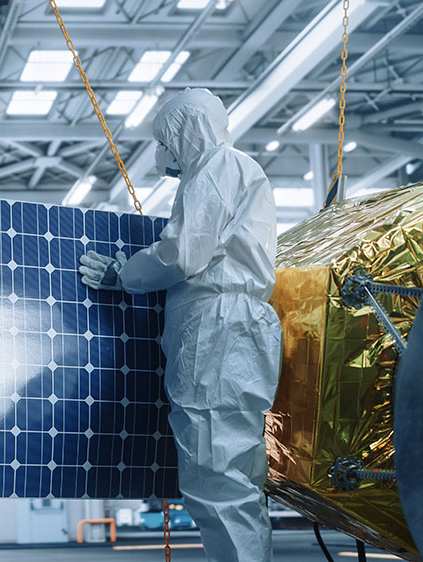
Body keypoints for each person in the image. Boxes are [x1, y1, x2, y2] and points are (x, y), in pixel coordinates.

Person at [79, 88, 282, 561]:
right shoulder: (233, 171)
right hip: (233, 331)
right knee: (232, 476)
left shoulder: (217, 166)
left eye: (164, 141)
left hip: (217, 331)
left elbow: (181, 253)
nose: (161, 154)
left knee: (218, 478)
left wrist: (123, 274)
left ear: (182, 131)